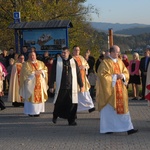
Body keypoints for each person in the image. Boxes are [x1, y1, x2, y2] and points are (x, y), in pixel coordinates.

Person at [96, 45, 138, 135]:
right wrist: (115, 76)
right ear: (111, 52)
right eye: (116, 52)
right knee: (109, 111)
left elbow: (126, 72)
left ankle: (129, 128)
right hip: (109, 92)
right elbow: (102, 76)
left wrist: (122, 76)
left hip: (120, 90)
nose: (118, 53)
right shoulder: (105, 63)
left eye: (119, 52)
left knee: (123, 109)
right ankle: (107, 128)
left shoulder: (120, 61)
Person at [49, 47, 84, 126]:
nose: (63, 54)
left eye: (65, 52)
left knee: (72, 104)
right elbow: (53, 74)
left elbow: (78, 73)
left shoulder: (73, 61)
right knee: (59, 103)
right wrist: (51, 85)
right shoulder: (57, 61)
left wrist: (81, 85)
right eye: (62, 52)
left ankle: (71, 120)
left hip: (71, 87)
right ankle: (55, 115)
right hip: (61, 86)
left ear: (68, 53)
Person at [20, 51, 48, 117]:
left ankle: (37, 111)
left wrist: (42, 71)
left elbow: (45, 69)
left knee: (39, 97)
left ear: (36, 56)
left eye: (33, 55)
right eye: (31, 55)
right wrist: (34, 73)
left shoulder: (41, 63)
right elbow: (25, 73)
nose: (32, 57)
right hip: (31, 84)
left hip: (40, 84)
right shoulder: (26, 64)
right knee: (30, 98)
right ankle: (30, 112)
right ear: (29, 56)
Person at [72, 46, 95, 113]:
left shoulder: (81, 58)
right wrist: (77, 68)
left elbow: (87, 65)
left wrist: (84, 67)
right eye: (75, 50)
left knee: (86, 93)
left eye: (78, 50)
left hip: (83, 78)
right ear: (73, 51)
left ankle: (90, 106)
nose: (77, 51)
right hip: (75, 79)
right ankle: (75, 109)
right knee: (77, 95)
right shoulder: (71, 59)